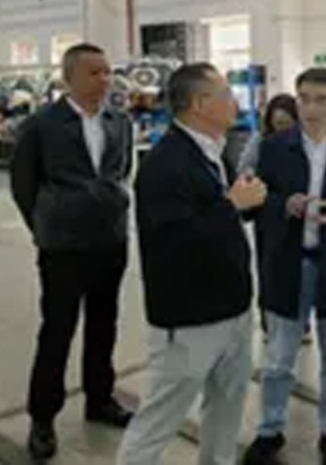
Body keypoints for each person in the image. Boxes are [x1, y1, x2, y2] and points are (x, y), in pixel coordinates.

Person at [117, 63, 267, 465]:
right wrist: (231, 205)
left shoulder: (213, 151)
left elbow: (220, 218)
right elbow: (174, 242)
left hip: (231, 307)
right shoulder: (164, 165)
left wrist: (246, 204)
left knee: (226, 410)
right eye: (226, 95)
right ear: (200, 104)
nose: (235, 102)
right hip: (189, 320)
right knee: (159, 420)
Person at [243, 68, 326, 465]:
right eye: (304, 98)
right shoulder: (274, 147)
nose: (311, 108)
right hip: (289, 262)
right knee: (278, 359)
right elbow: (255, 199)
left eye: (321, 100)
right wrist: (283, 204)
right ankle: (270, 429)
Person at [10, 43, 134, 461]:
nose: (105, 80)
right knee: (58, 329)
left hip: (110, 241)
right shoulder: (42, 125)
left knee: (104, 324)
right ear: (69, 78)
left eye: (107, 71)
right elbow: (23, 184)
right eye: (94, 72)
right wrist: (45, 226)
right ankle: (42, 417)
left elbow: (121, 172)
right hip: (63, 247)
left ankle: (100, 398)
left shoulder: (119, 122)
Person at [237, 93, 309, 339]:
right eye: (278, 124)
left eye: (288, 124)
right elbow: (245, 172)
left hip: (299, 216)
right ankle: (269, 321)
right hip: (268, 216)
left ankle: (301, 321)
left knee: (300, 270)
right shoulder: (261, 143)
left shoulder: (304, 143)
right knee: (269, 269)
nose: (282, 130)